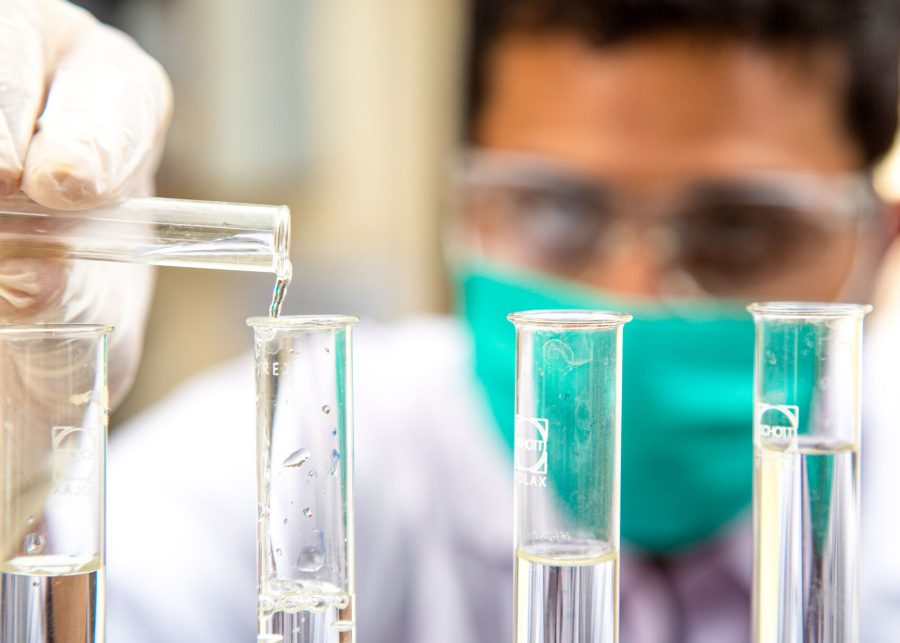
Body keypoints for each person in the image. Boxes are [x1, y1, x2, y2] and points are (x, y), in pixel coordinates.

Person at [2, 0, 900, 641]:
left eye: (735, 231)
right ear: (460, 205)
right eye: (556, 212)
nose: (632, 288)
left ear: (878, 240)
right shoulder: (312, 453)